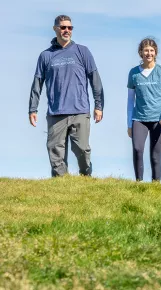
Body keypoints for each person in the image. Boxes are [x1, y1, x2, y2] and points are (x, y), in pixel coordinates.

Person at [28, 15, 104, 177]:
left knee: (82, 150)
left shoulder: (82, 51)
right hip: (56, 113)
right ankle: (61, 186)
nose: (67, 31)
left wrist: (99, 106)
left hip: (80, 110)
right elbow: (37, 83)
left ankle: (86, 177)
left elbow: (95, 79)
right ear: (55, 29)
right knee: (56, 154)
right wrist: (32, 108)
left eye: (70, 28)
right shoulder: (45, 56)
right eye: (63, 27)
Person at [127, 38, 161, 182]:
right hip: (139, 119)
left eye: (151, 50)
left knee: (155, 155)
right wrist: (129, 124)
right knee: (138, 150)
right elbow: (130, 100)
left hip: (158, 119)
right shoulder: (134, 73)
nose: (149, 53)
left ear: (155, 52)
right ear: (141, 52)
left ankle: (155, 185)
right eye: (146, 50)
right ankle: (139, 182)